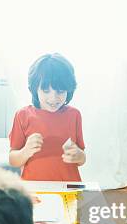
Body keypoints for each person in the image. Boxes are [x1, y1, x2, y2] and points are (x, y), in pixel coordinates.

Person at [9, 53, 86, 181]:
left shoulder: (74, 115)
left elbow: (82, 158)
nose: (53, 98)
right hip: (34, 188)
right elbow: (13, 159)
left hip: (68, 188)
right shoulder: (22, 116)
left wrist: (79, 156)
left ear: (69, 90)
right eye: (46, 91)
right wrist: (25, 152)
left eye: (60, 91)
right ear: (35, 89)